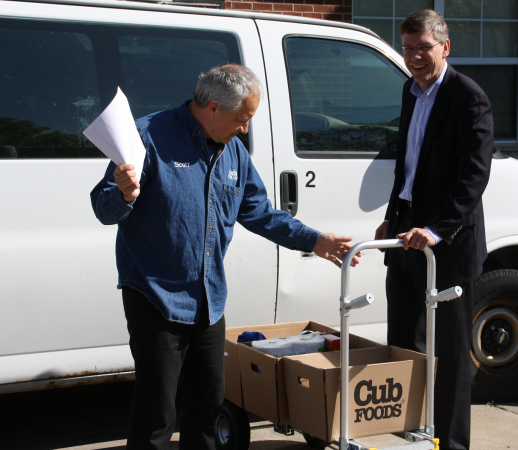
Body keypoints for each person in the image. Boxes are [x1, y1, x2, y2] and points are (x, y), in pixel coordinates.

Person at [91, 64, 359, 450]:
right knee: (156, 413)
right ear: (213, 108)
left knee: (207, 406)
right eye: (243, 118)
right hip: (155, 297)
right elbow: (103, 208)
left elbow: (260, 212)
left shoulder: (233, 150)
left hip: (208, 301)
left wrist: (313, 241)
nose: (245, 128)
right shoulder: (148, 137)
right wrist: (124, 195)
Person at [374, 9, 493, 450]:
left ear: (445, 47)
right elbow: (408, 166)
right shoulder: (411, 90)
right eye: (407, 48)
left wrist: (437, 229)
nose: (414, 57)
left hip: (448, 243)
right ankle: (408, 435)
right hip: (406, 233)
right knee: (402, 344)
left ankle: (452, 444)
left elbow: (472, 178)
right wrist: (394, 213)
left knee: (449, 355)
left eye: (423, 48)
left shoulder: (468, 98)